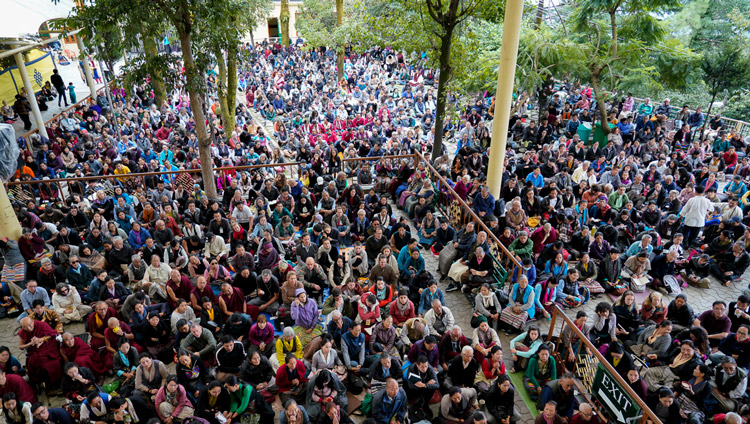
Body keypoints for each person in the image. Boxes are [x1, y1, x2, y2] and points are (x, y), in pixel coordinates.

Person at [17, 317, 63, 388]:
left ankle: (56, 384)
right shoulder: (23, 332)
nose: (29, 328)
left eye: (30, 325)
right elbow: (20, 346)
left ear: (33, 322)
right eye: (25, 327)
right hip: (34, 350)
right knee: (34, 362)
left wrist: (41, 339)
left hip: (48, 345)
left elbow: (53, 334)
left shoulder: (41, 325)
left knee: (54, 363)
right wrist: (30, 344)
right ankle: (44, 384)